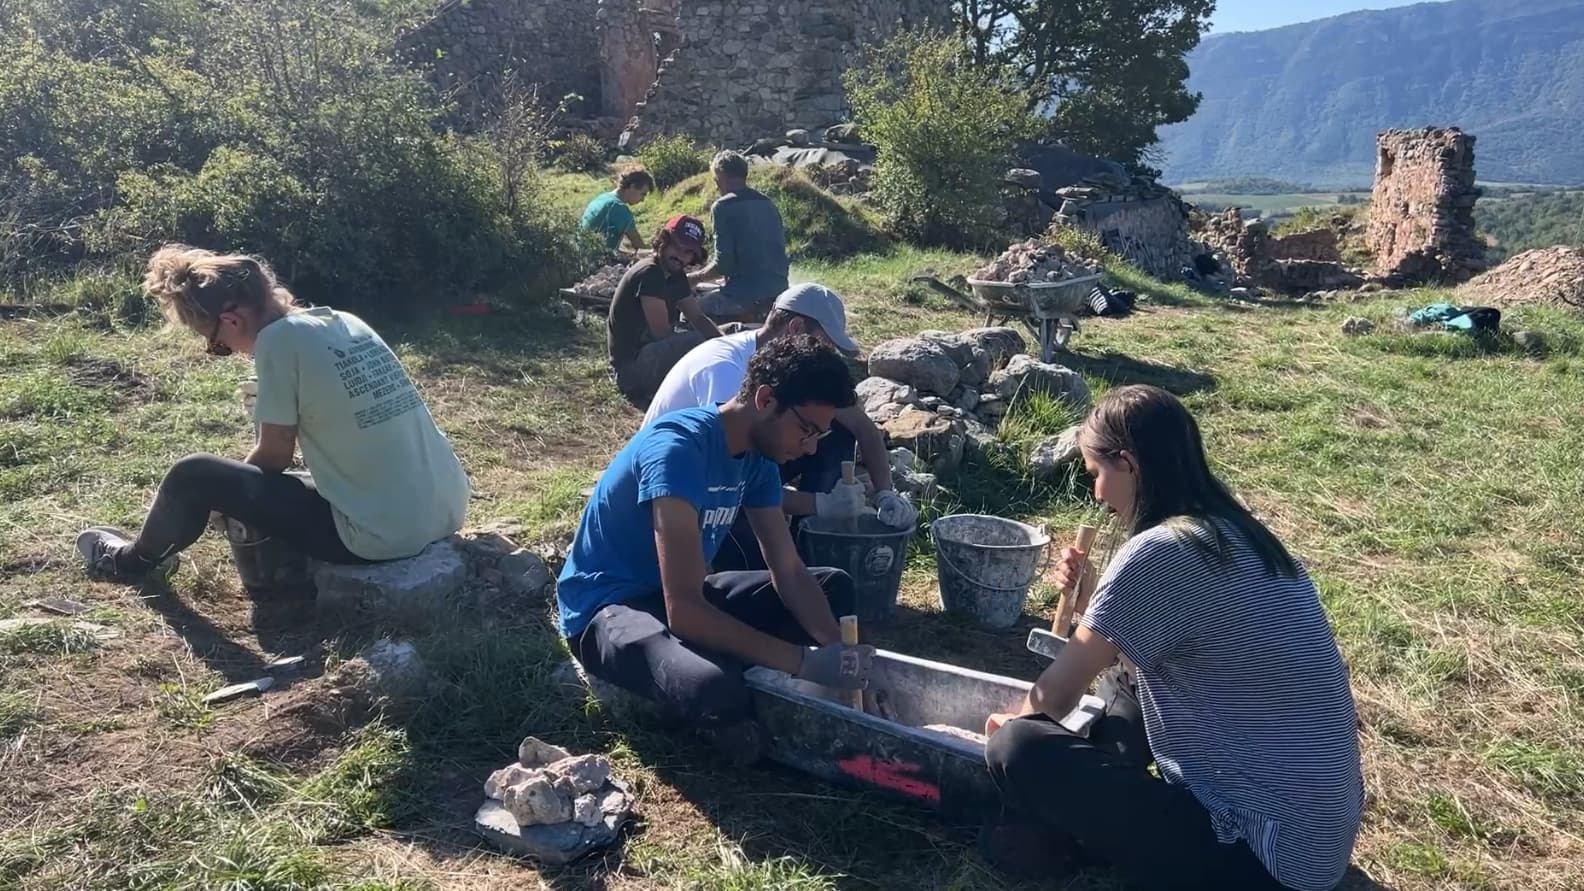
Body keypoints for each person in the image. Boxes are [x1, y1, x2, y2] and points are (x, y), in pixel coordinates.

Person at [980, 385, 1363, 891]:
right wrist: (1098, 594)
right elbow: (1168, 644)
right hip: (1314, 839)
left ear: (1129, 463)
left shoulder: (1159, 551)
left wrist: (1004, 730)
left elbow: (1055, 694)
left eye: (1096, 474)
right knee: (1125, 678)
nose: (1096, 493)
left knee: (1019, 747)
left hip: (1256, 859)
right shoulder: (1240, 533)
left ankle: (1062, 830)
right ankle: (1078, 818)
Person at [76, 245, 470, 582]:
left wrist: (223, 496)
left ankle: (130, 561)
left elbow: (273, 459)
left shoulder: (277, 341)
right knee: (290, 483)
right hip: (445, 508)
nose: (226, 351)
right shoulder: (343, 321)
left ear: (232, 320)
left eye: (217, 344)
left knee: (193, 474)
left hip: (381, 536)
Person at [557, 334, 874, 748]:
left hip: (675, 594)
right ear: (765, 400)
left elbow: (789, 569)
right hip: (610, 606)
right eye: (807, 430)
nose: (811, 448)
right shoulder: (677, 450)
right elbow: (685, 610)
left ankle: (745, 664)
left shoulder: (758, 460)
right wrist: (805, 662)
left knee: (833, 587)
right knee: (713, 689)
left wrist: (837, 650)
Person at [643, 283, 917, 571]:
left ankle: (809, 539)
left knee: (837, 433)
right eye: (826, 344)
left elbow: (862, 427)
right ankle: (790, 543)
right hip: (682, 487)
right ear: (796, 328)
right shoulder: (724, 369)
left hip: (735, 470)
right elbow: (727, 477)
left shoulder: (796, 371)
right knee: (756, 576)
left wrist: (885, 492)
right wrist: (821, 504)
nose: (828, 356)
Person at [608, 214, 723, 408]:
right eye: (677, 247)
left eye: (688, 252)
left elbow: (698, 317)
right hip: (631, 369)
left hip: (649, 354)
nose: (681, 256)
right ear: (663, 241)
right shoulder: (650, 273)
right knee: (698, 342)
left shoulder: (675, 275)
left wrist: (724, 341)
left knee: (724, 333)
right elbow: (661, 333)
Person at [687, 150, 789, 322]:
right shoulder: (768, 204)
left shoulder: (723, 207)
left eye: (716, 179)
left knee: (689, 312)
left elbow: (724, 264)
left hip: (745, 296)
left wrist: (693, 278)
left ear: (721, 175)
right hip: (778, 291)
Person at [580, 167, 654, 253]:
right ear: (632, 187)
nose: (643, 200)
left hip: (581, 255)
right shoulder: (619, 208)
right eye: (643, 194)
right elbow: (640, 247)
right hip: (597, 261)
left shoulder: (602, 197)